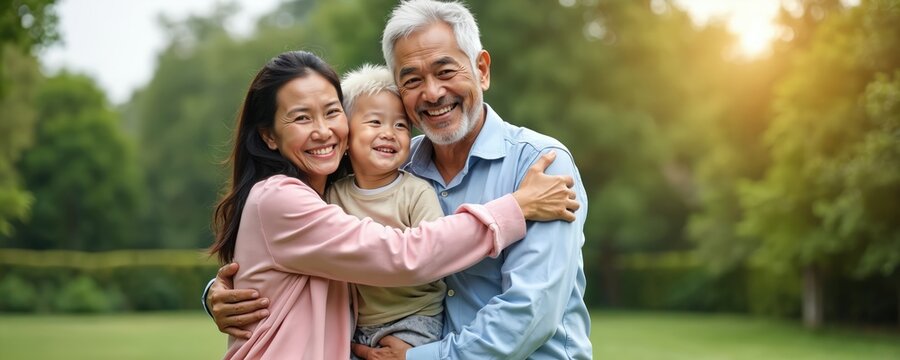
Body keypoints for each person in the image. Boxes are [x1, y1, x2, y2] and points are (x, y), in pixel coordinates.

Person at [207, 49, 578, 359]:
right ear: (269, 136)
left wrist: (215, 293)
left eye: (332, 111)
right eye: (302, 117)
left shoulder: (370, 177)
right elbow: (399, 253)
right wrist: (514, 208)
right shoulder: (281, 198)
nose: (324, 130)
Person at [329, 64, 446, 354]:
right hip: (355, 323)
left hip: (415, 319)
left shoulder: (416, 192)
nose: (389, 133)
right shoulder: (332, 194)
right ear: (345, 137)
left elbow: (437, 252)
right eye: (375, 122)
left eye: (400, 125)